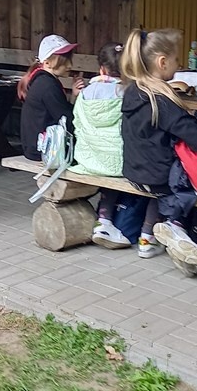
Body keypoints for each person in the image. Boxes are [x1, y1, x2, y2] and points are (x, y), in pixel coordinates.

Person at [121, 28, 197, 274]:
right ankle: (180, 230)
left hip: (134, 172)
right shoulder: (162, 101)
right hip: (159, 177)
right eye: (176, 59)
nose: (179, 64)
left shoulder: (133, 91)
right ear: (162, 62)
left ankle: (157, 233)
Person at [69, 42, 129, 248]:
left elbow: (77, 123)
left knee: (107, 168)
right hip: (120, 162)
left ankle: (103, 219)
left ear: (101, 69)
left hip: (87, 159)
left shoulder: (85, 93)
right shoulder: (127, 93)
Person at [19, 35, 85, 161]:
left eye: (69, 59)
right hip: (44, 151)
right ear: (47, 63)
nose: (70, 65)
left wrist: (74, 96)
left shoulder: (43, 80)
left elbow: (61, 114)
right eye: (64, 61)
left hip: (36, 147)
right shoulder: (48, 86)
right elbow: (67, 121)